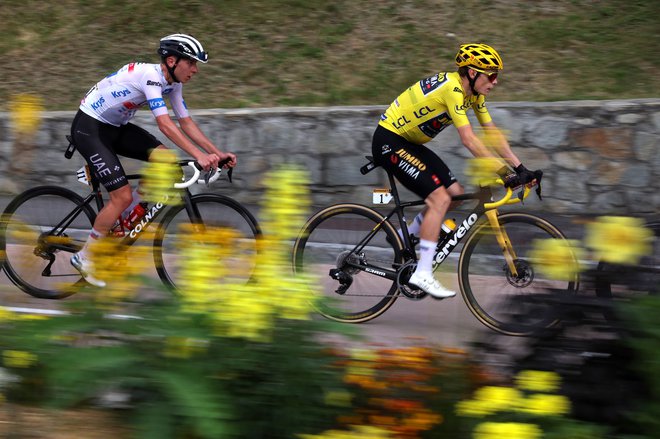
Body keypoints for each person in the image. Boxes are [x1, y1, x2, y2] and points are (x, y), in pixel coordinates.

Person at [372, 43, 538, 299]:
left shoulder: (475, 95)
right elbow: (469, 139)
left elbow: (491, 132)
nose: (495, 82)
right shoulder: (453, 89)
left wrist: (519, 167)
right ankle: (422, 273)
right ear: (472, 73)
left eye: (497, 76)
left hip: (410, 143)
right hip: (390, 142)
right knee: (440, 198)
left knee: (455, 192)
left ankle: (410, 235)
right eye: (491, 76)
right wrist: (503, 171)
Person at [70, 33, 236, 287]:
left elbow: (185, 122)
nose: (195, 70)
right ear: (171, 60)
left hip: (116, 127)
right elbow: (165, 125)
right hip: (90, 128)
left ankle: (121, 221)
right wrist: (199, 156)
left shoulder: (174, 83)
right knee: (121, 195)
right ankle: (85, 256)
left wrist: (216, 152)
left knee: (166, 161)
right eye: (191, 63)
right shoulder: (150, 77)